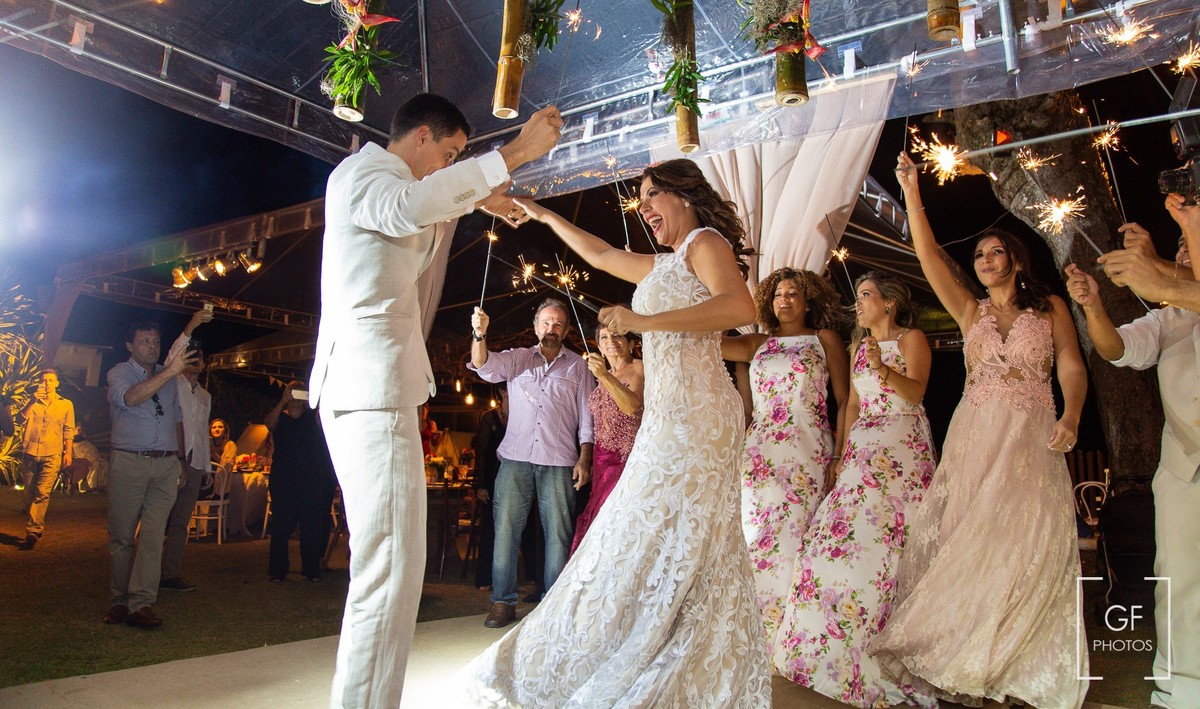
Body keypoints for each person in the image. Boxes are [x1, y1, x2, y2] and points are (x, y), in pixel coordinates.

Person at [460, 158, 770, 705]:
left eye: (652, 195)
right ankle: (658, 642)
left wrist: (642, 323)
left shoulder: (705, 242)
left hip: (700, 415)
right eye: (640, 198)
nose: (643, 207)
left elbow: (739, 306)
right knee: (651, 531)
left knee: (668, 530)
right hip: (669, 414)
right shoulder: (669, 262)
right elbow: (600, 253)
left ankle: (682, 653)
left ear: (683, 194)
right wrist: (539, 214)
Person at [307, 91, 561, 708]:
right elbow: (409, 207)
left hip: (374, 392)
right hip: (370, 390)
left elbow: (420, 210)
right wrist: (517, 152)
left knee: (393, 569)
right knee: (389, 571)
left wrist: (480, 198)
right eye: (447, 153)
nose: (446, 166)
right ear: (421, 136)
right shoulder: (367, 174)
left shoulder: (384, 184)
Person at [871, 152, 1090, 706]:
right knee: (973, 543)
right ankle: (966, 658)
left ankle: (1017, 662)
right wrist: (910, 192)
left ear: (1016, 260)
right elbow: (927, 257)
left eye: (998, 252)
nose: (988, 259)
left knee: (1025, 547)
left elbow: (1070, 364)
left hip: (1031, 436)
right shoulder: (970, 312)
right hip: (976, 436)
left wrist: (1071, 414)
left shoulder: (1050, 309)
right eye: (980, 254)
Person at [772, 272, 937, 707]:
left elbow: (916, 392)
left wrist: (885, 370)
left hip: (901, 453)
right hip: (861, 456)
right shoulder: (859, 346)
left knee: (888, 551)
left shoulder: (910, 338)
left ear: (890, 303)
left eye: (865, 296)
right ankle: (827, 654)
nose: (857, 304)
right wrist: (842, 453)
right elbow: (855, 404)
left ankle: (886, 654)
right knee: (829, 547)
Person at [1067, 202, 1200, 709]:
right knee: (1181, 584)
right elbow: (1116, 349)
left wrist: (1161, 275)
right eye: (1183, 241)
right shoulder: (1169, 317)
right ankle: (1180, 690)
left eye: (1192, 240)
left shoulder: (1171, 293)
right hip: (1184, 465)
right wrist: (1093, 306)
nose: (1184, 248)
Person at [721, 266, 848, 647]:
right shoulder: (757, 343)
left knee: (798, 534)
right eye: (778, 294)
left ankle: (795, 629)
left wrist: (841, 454)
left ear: (808, 300)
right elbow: (703, 340)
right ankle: (754, 626)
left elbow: (844, 400)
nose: (784, 300)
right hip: (761, 452)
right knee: (758, 533)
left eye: (793, 293)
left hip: (809, 449)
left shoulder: (823, 339)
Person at [468, 298, 595, 628]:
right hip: (515, 459)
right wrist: (479, 334)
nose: (551, 329)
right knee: (505, 531)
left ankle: (552, 605)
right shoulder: (517, 359)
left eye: (557, 324)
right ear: (536, 325)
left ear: (566, 330)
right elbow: (481, 365)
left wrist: (585, 457)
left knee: (558, 535)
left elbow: (587, 417)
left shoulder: (578, 367)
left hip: (559, 460)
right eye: (545, 322)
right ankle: (502, 601)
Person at [104, 321, 196, 629]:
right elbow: (130, 398)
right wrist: (170, 371)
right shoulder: (119, 373)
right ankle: (119, 600)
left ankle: (141, 603)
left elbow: (177, 421)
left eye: (155, 341)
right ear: (130, 346)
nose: (152, 347)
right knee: (122, 536)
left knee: (154, 536)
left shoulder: (168, 378)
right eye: (144, 341)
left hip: (166, 464)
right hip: (130, 462)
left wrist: (181, 459)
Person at [569, 324, 645, 554]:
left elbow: (632, 406)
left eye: (617, 335)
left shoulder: (640, 367)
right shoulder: (603, 376)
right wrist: (587, 461)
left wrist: (602, 375)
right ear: (599, 346)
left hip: (626, 459)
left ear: (631, 342)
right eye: (604, 337)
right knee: (598, 519)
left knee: (616, 519)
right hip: (601, 461)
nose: (610, 340)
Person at [160, 310, 214, 591]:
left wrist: (205, 468)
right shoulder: (171, 382)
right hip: (171, 460)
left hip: (194, 465)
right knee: (157, 520)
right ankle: (145, 572)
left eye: (199, 358)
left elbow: (203, 433)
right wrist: (191, 326)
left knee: (181, 522)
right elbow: (171, 358)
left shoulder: (205, 396)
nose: (194, 361)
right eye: (190, 357)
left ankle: (170, 574)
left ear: (204, 365)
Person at [265, 381, 337, 582]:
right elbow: (269, 424)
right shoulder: (281, 417)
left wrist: (314, 403)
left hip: (310, 477)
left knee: (311, 524)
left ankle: (311, 570)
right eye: (292, 392)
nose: (296, 397)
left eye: (300, 393)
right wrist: (283, 402)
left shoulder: (311, 417)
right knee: (281, 524)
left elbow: (324, 428)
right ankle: (277, 570)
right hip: (284, 477)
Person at [17, 369, 75, 550]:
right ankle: (34, 524)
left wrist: (68, 452)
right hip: (30, 452)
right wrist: (32, 401)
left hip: (52, 452)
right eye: (44, 381)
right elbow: (19, 420)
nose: (47, 384)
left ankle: (33, 530)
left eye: (50, 381)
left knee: (42, 492)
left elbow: (68, 429)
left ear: (56, 383)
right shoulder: (32, 401)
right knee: (29, 493)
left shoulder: (65, 404)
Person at [472, 390, 507, 590]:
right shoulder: (490, 419)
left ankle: (529, 574)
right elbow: (482, 453)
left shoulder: (521, 415)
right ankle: (484, 577)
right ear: (502, 394)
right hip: (492, 479)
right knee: (490, 528)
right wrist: (481, 485)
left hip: (513, 477)